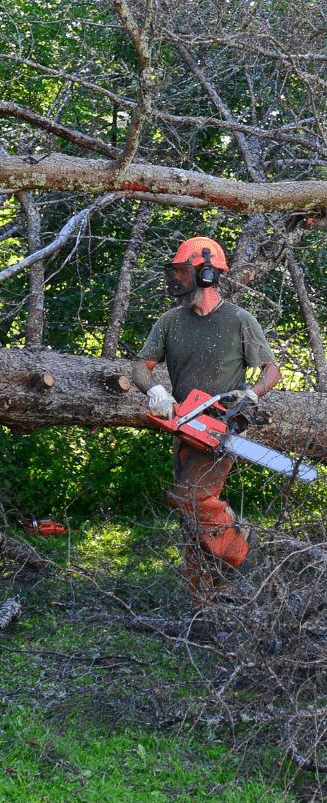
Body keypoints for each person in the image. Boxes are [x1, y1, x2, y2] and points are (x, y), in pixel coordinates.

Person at [131, 236, 280, 607]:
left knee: (191, 498)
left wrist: (253, 393)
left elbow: (271, 370)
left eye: (184, 271)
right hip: (183, 424)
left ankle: (240, 548)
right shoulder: (169, 322)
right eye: (176, 271)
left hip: (222, 425)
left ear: (208, 273)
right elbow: (140, 367)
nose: (177, 278)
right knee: (190, 515)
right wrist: (155, 391)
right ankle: (205, 600)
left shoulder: (239, 320)